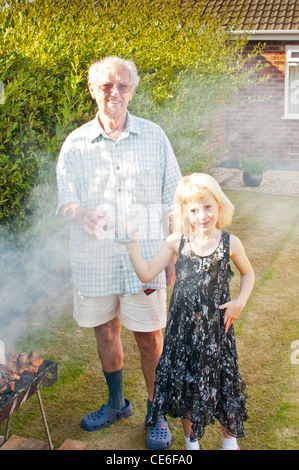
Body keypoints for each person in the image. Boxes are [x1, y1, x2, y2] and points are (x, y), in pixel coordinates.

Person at [56, 56, 181, 449]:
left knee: (149, 338)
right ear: (93, 89)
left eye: (122, 85)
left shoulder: (155, 136)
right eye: (106, 85)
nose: (114, 92)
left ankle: (155, 410)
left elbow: (172, 202)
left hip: (144, 261)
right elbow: (66, 201)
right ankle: (116, 403)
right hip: (94, 261)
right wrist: (80, 213)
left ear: (132, 90)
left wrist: (173, 253)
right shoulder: (75, 143)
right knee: (105, 331)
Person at [128, 173, 255, 450]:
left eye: (207, 207)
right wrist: (132, 246)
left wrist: (240, 302)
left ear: (219, 206)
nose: (202, 215)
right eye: (194, 209)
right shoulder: (176, 242)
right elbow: (147, 273)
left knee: (223, 383)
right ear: (184, 211)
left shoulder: (229, 244)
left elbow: (248, 274)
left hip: (215, 332)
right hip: (182, 333)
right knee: (186, 386)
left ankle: (229, 443)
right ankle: (191, 443)